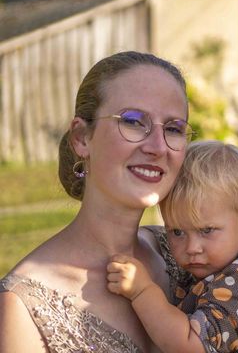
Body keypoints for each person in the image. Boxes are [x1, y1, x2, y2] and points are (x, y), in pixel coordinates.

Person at [0, 51, 194, 352]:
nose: (158, 147)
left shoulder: (187, 254)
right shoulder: (23, 307)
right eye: (133, 122)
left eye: (173, 129)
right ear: (81, 138)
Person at [106, 139, 238, 352]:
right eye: (177, 232)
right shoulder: (217, 270)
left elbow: (191, 345)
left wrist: (142, 291)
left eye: (207, 230)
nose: (192, 248)